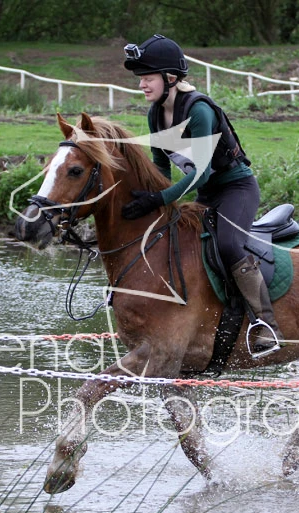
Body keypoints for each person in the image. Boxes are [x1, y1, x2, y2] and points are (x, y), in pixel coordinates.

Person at [121, 34, 285, 357]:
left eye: (148, 77)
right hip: (207, 193)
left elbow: (201, 173)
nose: (142, 84)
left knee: (228, 245)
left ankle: (266, 325)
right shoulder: (155, 114)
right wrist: (146, 201)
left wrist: (160, 199)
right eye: (140, 78)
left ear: (170, 77)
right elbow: (161, 168)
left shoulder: (199, 111)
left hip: (236, 189)